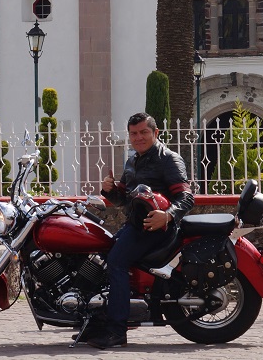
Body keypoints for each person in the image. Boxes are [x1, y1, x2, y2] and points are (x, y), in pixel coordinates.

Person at [85, 112, 195, 349]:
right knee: (99, 259)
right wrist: (109, 190)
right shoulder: (133, 160)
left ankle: (116, 332)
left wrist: (168, 215)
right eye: (134, 133)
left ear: (156, 133)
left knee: (116, 263)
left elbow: (186, 197)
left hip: (157, 230)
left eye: (144, 132)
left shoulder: (169, 159)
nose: (139, 137)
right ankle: (95, 325)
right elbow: (123, 199)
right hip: (135, 226)